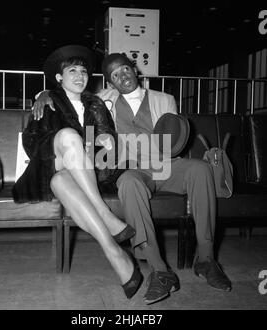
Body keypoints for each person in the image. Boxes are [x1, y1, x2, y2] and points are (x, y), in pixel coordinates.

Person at [32, 52, 232, 305]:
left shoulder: (164, 99)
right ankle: (159, 271)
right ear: (109, 83)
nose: (122, 76)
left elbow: (173, 144)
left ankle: (206, 259)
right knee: (128, 183)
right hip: (133, 169)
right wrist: (45, 94)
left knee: (200, 170)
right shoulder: (104, 100)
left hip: (167, 165)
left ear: (134, 70)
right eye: (114, 75)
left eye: (125, 69)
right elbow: (72, 94)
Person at [13, 46, 143, 300]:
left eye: (83, 70)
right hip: (48, 162)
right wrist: (65, 141)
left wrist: (90, 148)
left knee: (62, 181)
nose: (79, 75)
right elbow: (31, 141)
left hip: (83, 172)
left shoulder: (95, 104)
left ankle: (115, 254)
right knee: (68, 136)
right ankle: (104, 213)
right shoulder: (48, 100)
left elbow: (108, 142)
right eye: (71, 70)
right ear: (59, 77)